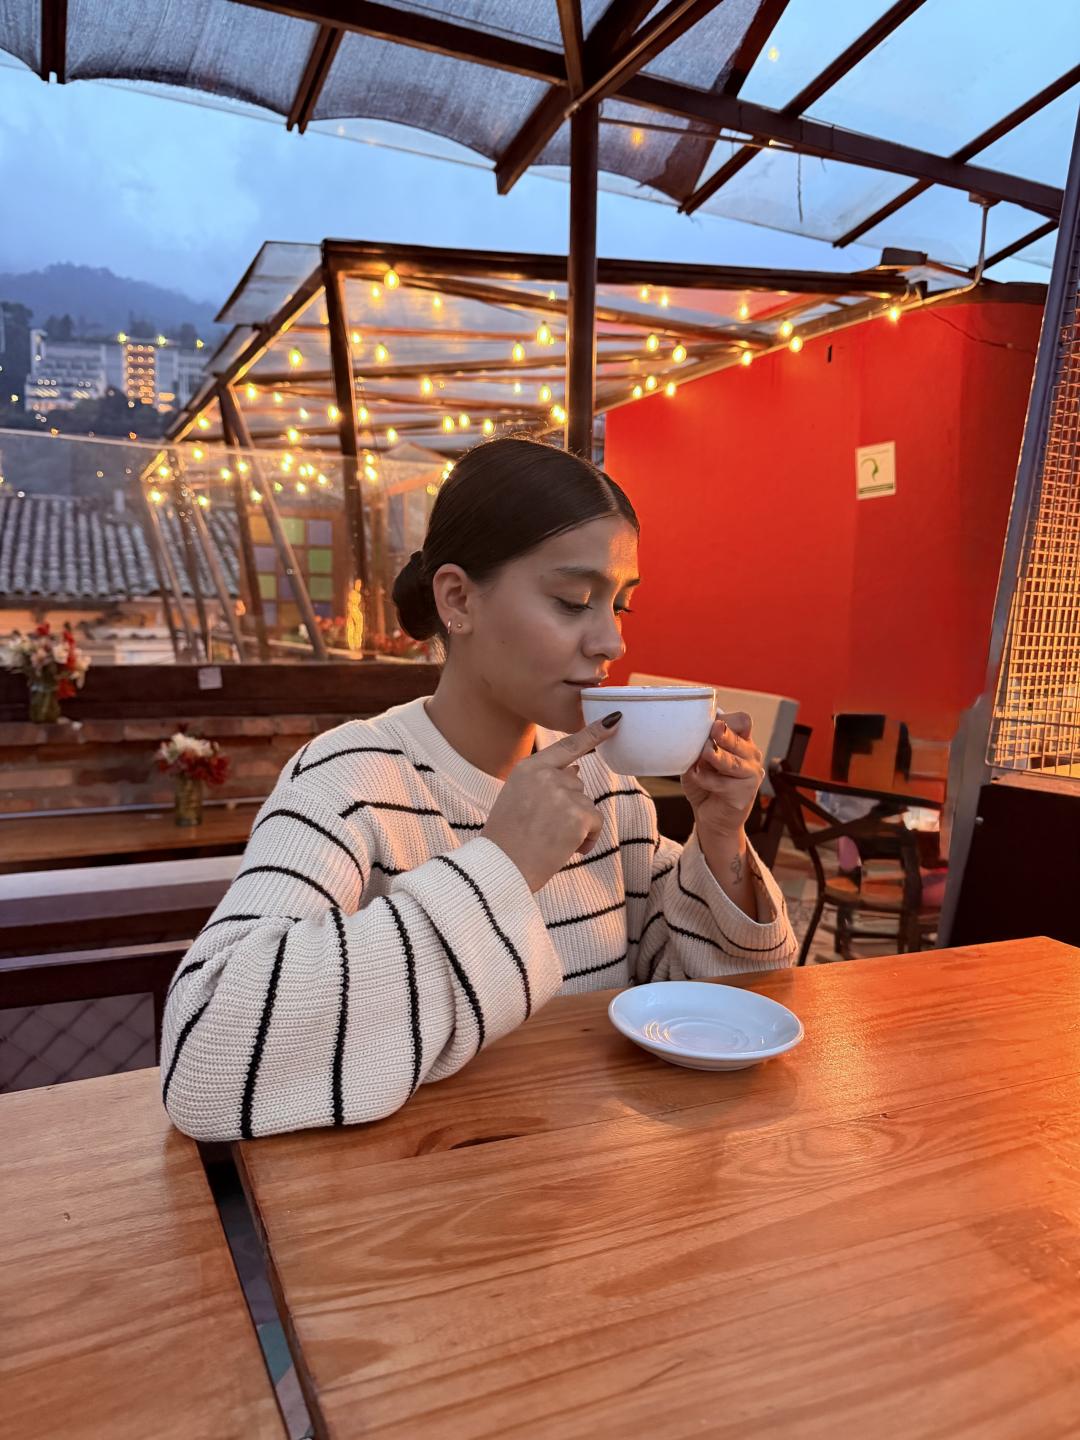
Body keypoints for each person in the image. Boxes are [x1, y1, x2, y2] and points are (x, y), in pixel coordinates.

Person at [162, 437, 796, 1141]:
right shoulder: (346, 779)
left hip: (586, 1174)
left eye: (621, 606)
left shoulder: (605, 785)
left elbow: (709, 1010)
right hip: (420, 1188)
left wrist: (720, 840)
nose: (611, 643)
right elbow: (206, 1060)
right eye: (573, 601)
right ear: (458, 599)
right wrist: (504, 866)